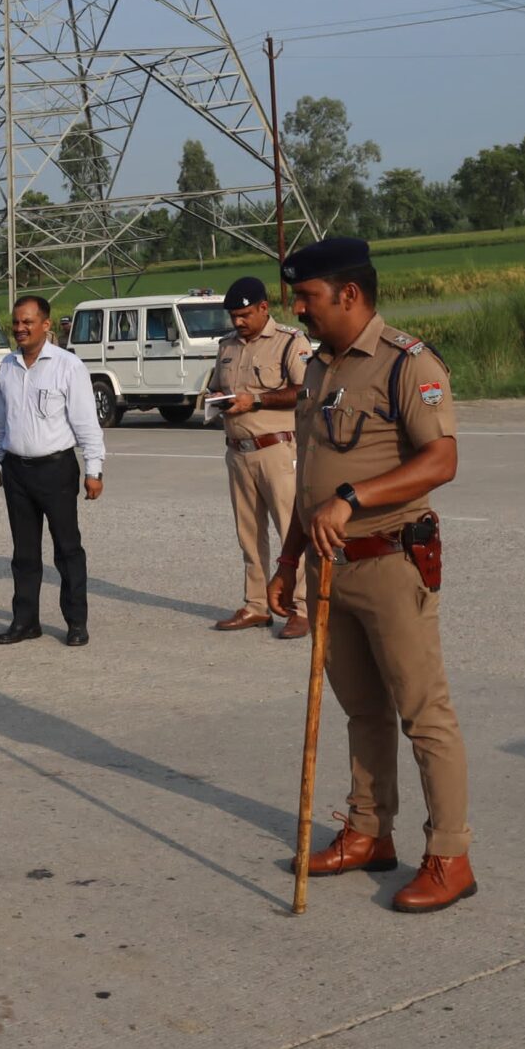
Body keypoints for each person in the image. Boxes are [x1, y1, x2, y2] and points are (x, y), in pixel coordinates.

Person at [264, 237, 475, 914]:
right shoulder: (317, 368)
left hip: (390, 560)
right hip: (330, 567)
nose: (298, 310)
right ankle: (368, 831)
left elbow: (441, 460)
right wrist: (288, 558)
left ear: (349, 294)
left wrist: (354, 498)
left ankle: (449, 855)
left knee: (423, 714)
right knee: (362, 710)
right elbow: (311, 477)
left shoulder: (407, 363)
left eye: (308, 297)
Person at [0, 292, 103, 647]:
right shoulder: (7, 366)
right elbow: (2, 421)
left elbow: (86, 423)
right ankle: (25, 622)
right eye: (16, 322)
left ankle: (76, 622)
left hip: (56, 470)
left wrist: (94, 470)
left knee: (67, 549)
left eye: (28, 322)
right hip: (16, 471)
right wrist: (1, 461)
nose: (20, 328)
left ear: (46, 324)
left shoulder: (68, 366)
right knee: (23, 553)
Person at [209, 275, 314, 639]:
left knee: (291, 531)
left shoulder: (290, 342)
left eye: (244, 315)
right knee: (249, 535)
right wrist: (213, 399)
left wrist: (255, 400)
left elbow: (306, 390)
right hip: (238, 453)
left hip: (277, 451)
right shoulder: (227, 346)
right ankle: (256, 605)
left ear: (264, 308)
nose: (238, 322)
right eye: (234, 316)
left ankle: (301, 608)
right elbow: (215, 386)